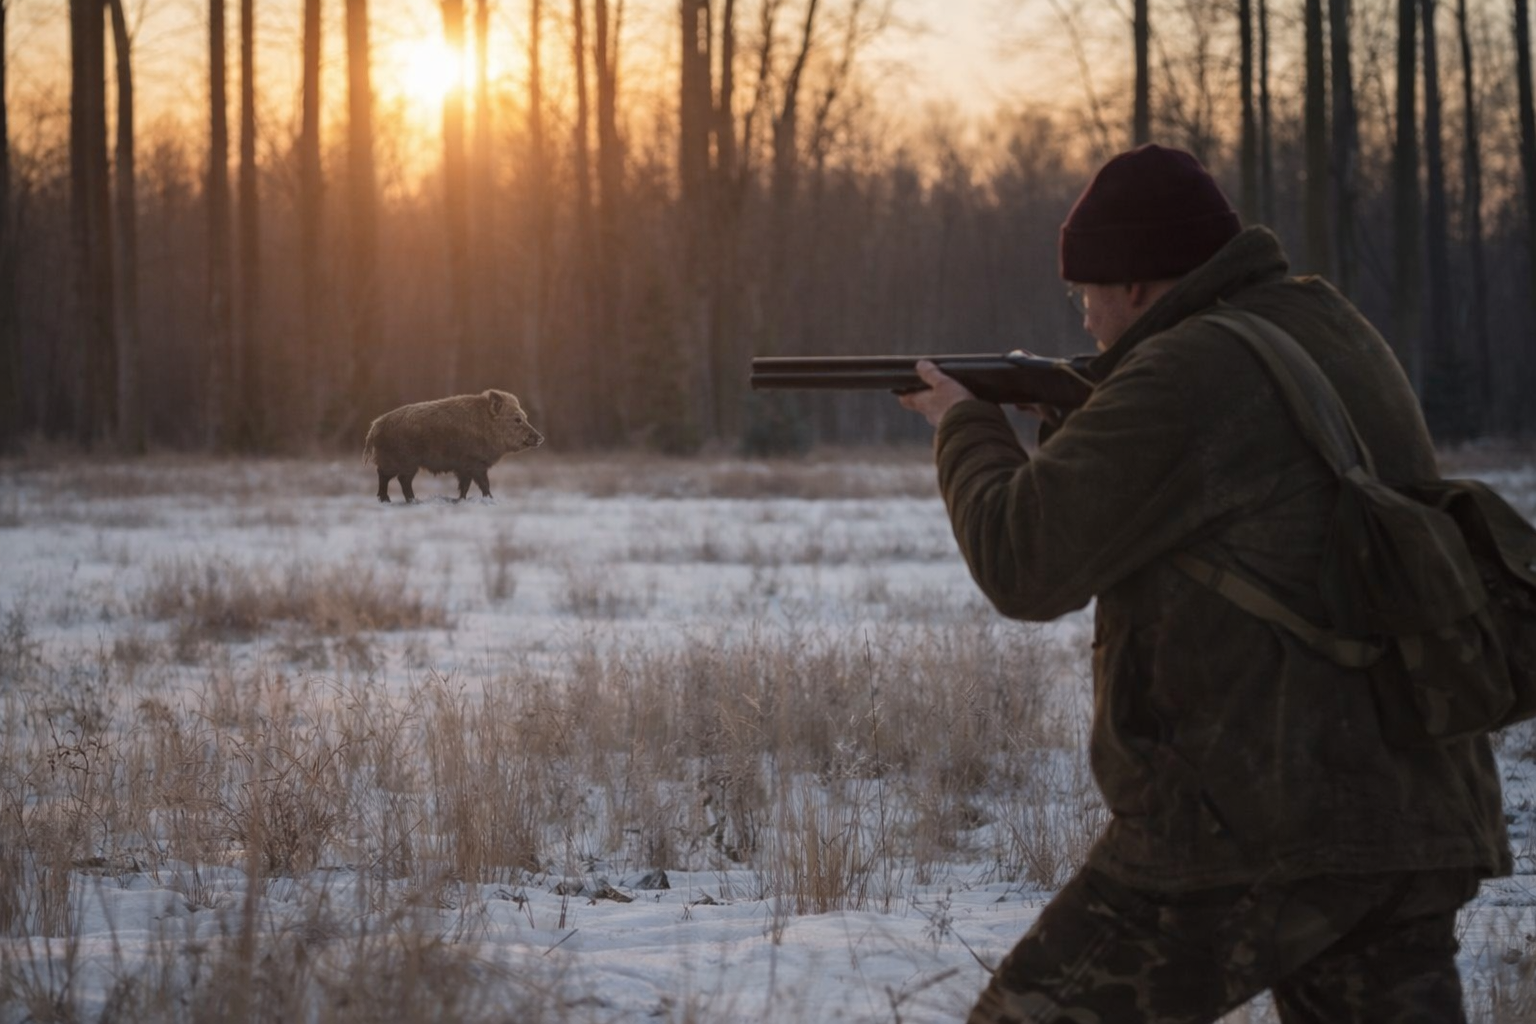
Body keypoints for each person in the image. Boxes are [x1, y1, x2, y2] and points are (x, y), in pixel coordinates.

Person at [897, 144, 1510, 1024]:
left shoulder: (1184, 371)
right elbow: (1261, 485)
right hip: (1414, 818)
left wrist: (964, 427)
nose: (1088, 325)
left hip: (1250, 831)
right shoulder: (1325, 325)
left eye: (1089, 296)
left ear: (1139, 285)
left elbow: (1022, 561)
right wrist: (1094, 415)